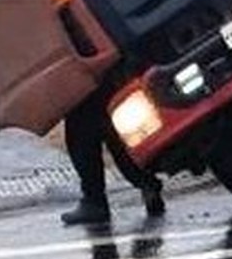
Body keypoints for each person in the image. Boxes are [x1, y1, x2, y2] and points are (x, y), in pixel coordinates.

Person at [61, 81, 165, 226]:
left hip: (82, 74)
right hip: (113, 72)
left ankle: (94, 200)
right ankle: (145, 182)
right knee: (114, 127)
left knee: (81, 132)